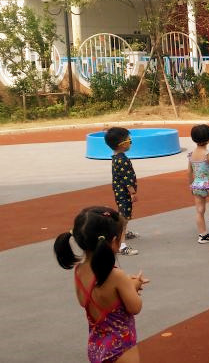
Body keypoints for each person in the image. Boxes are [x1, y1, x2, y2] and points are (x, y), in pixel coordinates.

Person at [54, 206, 149, 363]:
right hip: (121, 349)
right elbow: (135, 307)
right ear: (114, 241)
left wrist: (126, 286)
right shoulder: (116, 276)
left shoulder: (79, 271)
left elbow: (88, 299)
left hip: (96, 347)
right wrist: (135, 284)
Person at [104, 127, 140, 256]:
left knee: (123, 214)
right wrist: (133, 193)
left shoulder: (116, 157)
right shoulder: (122, 160)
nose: (130, 142)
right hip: (124, 193)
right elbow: (127, 179)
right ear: (122, 144)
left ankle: (123, 233)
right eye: (128, 140)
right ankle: (121, 245)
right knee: (124, 217)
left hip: (119, 191)